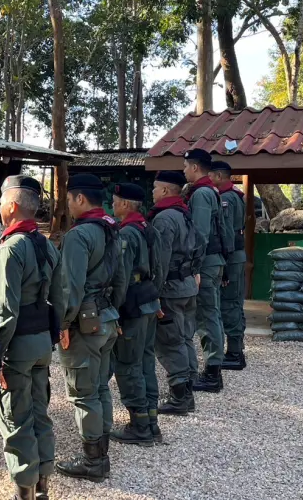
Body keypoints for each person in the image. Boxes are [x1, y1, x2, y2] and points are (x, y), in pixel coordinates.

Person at [0, 176, 65, 500]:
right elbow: (59, 298)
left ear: (12, 206)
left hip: (17, 348)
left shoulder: (11, 248)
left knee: (16, 419)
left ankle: (25, 491)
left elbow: (5, 311)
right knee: (39, 414)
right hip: (41, 344)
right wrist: (53, 336)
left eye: (1, 201)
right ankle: (43, 485)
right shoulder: (47, 245)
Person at [55, 174, 127, 483]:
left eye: (69, 199)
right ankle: (101, 451)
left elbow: (70, 286)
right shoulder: (112, 229)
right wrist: (114, 312)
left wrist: (63, 323)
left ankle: (93, 462)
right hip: (107, 317)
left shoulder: (79, 235)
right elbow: (122, 278)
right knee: (100, 387)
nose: (68, 205)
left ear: (80, 198)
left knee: (83, 393)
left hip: (84, 323)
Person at [108, 182, 161, 446]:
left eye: (115, 201)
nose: (112, 205)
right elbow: (160, 266)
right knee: (146, 362)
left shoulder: (127, 232)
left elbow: (122, 277)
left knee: (128, 364)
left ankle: (139, 425)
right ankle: (151, 421)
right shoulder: (148, 227)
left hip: (133, 303)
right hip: (149, 299)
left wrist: (115, 311)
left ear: (126, 204)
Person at [149, 171, 200, 416]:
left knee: (170, 342)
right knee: (185, 338)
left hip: (170, 288)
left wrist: (154, 292)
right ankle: (187, 389)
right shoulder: (184, 213)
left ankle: (180, 396)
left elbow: (160, 260)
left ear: (165, 190)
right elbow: (200, 244)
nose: (152, 192)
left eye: (155, 188)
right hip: (187, 284)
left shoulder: (164, 218)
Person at [183, 148, 231, 393]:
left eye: (185, 166)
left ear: (194, 167)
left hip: (206, 263)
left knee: (206, 316)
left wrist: (194, 266)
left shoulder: (202, 193)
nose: (184, 171)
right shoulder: (209, 190)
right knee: (212, 314)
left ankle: (212, 373)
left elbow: (200, 235)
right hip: (213, 260)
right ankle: (213, 370)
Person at [209, 161, 248, 371]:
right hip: (236, 255)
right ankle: (236, 348)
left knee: (229, 302)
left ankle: (234, 352)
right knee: (235, 302)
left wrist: (223, 262)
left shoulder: (227, 198)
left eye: (210, 175)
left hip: (231, 257)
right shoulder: (235, 195)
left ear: (219, 176)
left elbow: (226, 233)